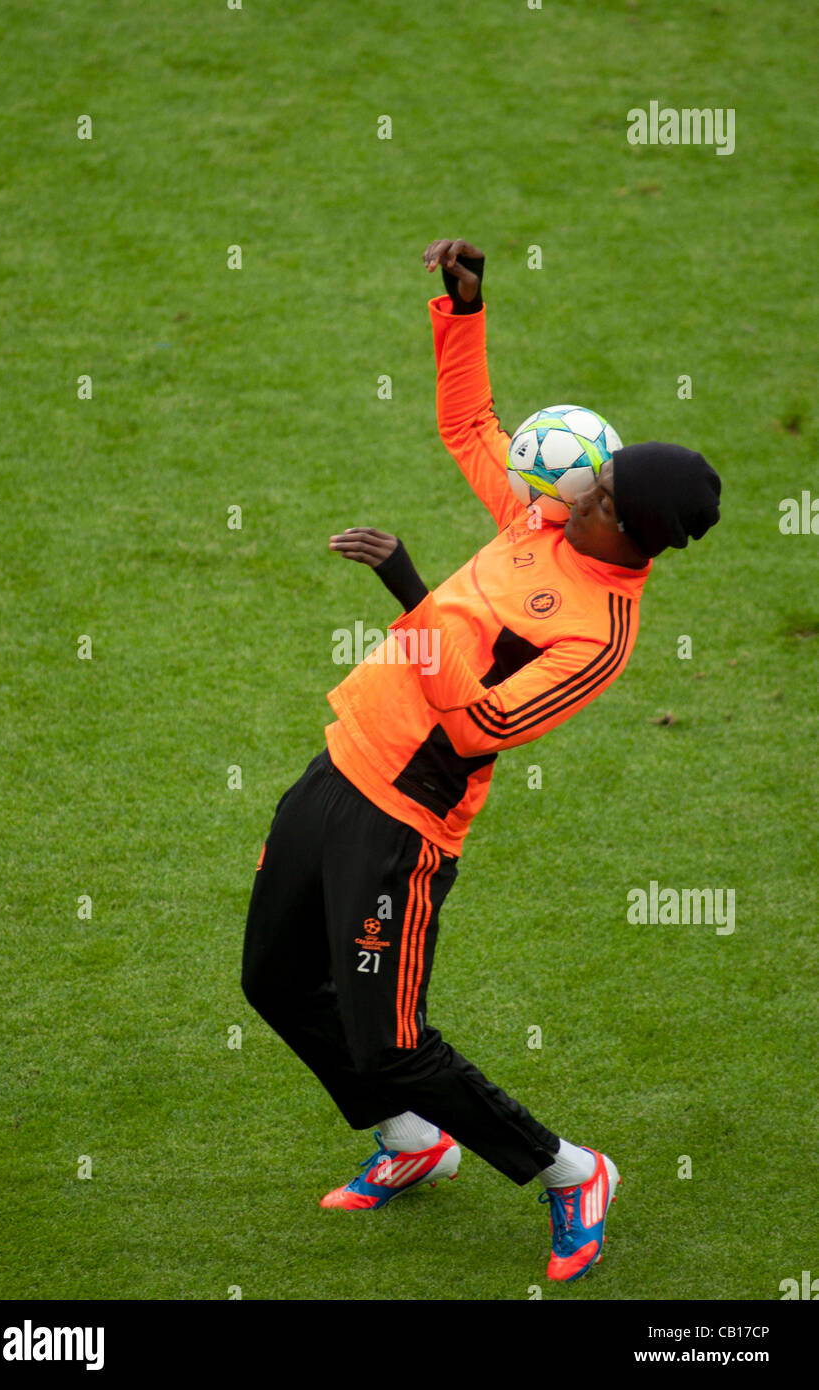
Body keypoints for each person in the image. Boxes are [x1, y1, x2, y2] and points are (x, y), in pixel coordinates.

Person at [241, 237, 721, 1283]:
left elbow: (475, 729)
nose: (568, 492)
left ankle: (566, 1171)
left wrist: (415, 596)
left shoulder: (595, 635)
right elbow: (469, 427)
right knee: (272, 980)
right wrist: (464, 310)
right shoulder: (542, 513)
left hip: (403, 824)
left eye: (591, 494)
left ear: (625, 528)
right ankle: (414, 1144)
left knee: (393, 1043)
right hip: (341, 761)